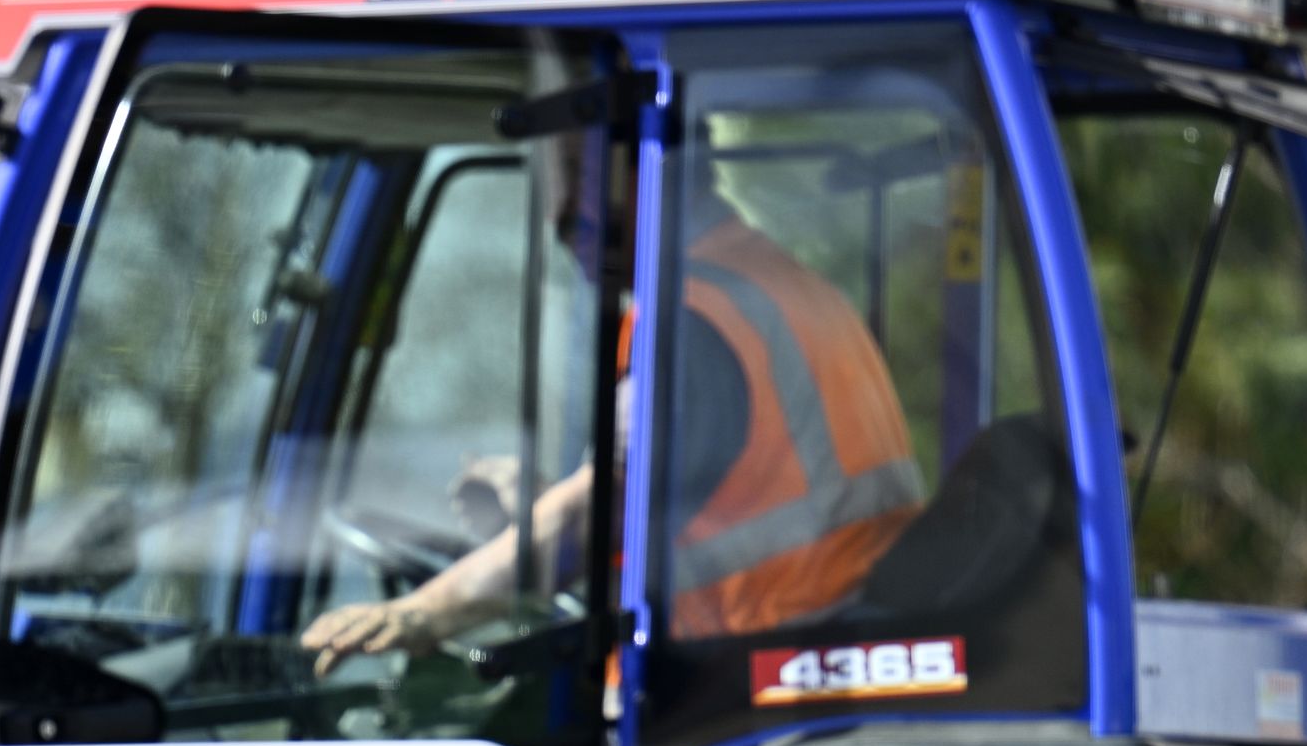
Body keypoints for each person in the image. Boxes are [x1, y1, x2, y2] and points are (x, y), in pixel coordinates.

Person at [305, 179, 918, 668]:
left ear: (644, 157)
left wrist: (425, 612)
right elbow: (696, 502)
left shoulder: (695, 318)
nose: (562, 208)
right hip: (822, 647)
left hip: (752, 675)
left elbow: (602, 508)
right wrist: (544, 504)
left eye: (582, 165)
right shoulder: (765, 279)